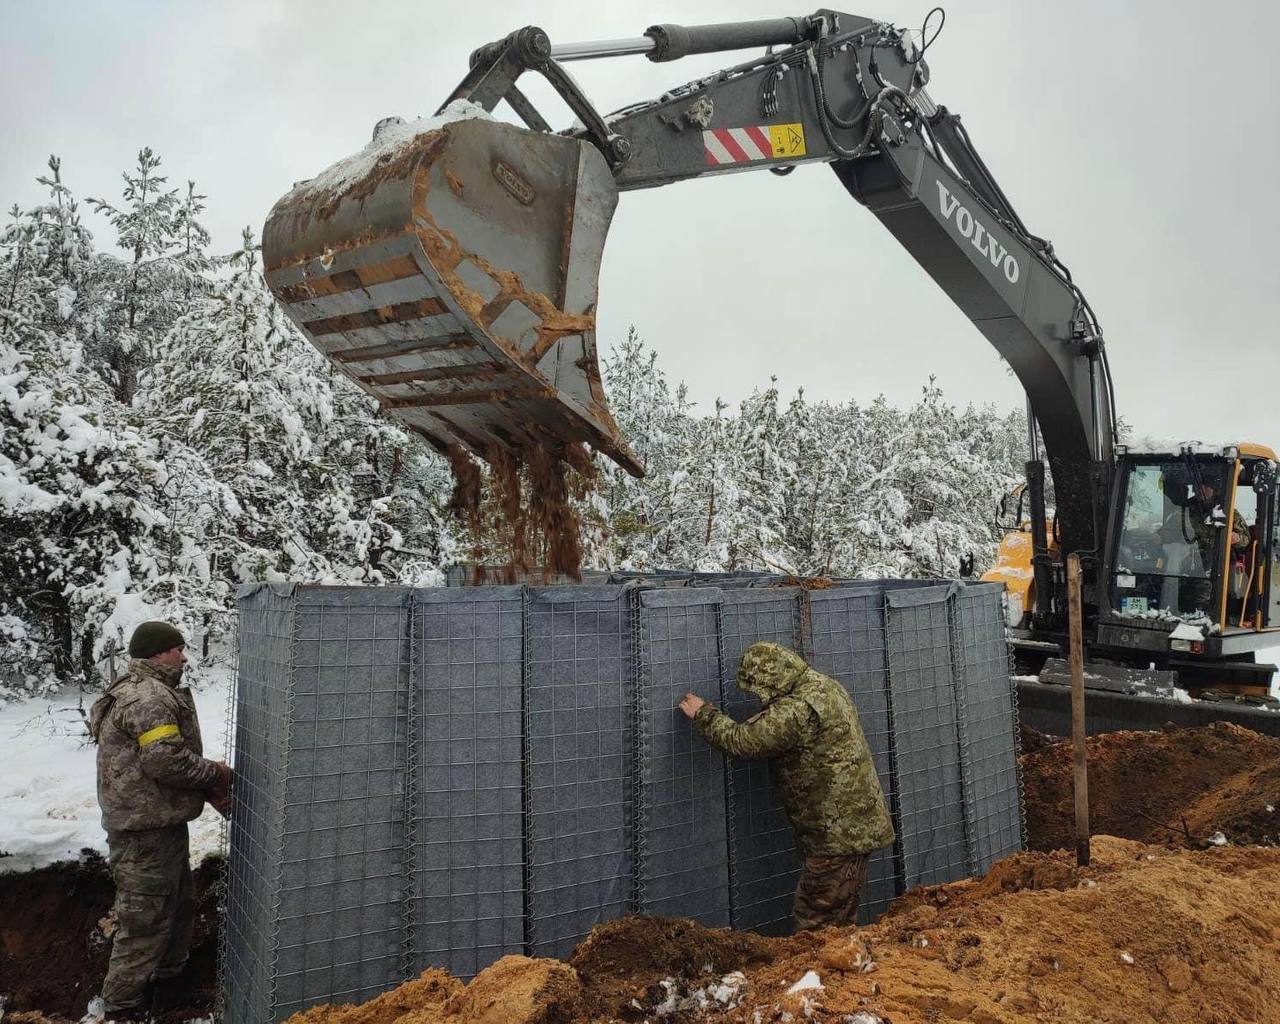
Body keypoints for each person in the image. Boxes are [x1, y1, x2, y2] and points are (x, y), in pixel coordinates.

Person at [678, 642, 895, 930]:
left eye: (757, 689)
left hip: (838, 835)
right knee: (837, 918)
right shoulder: (823, 687)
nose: (758, 697)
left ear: (771, 679)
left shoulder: (796, 709)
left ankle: (821, 973)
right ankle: (844, 968)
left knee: (816, 922)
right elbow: (775, 726)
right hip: (852, 826)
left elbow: (744, 742)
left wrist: (704, 713)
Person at [89, 621, 233, 1018]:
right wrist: (215, 774)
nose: (184, 657)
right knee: (144, 922)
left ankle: (170, 989)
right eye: (177, 650)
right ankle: (122, 1009)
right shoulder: (148, 699)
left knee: (177, 906)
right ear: (157, 654)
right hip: (143, 835)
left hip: (160, 826)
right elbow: (165, 761)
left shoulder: (140, 690)